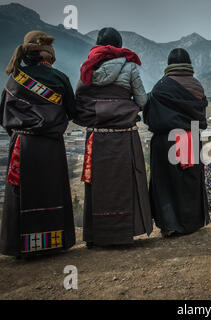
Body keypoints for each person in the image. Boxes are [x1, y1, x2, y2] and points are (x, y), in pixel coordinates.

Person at [74, 28, 152, 247]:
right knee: (124, 182)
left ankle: (98, 236)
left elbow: (78, 102)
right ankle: (123, 233)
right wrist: (124, 107)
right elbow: (142, 100)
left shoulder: (88, 67)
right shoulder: (129, 67)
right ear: (119, 45)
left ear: (98, 44)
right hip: (123, 136)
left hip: (96, 137)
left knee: (98, 184)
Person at [0, 31, 76, 258]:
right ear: (49, 56)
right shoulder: (60, 78)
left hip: (23, 144)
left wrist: (20, 132)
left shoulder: (14, 80)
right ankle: (53, 243)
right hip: (51, 146)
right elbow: (72, 111)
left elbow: (4, 115)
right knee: (52, 192)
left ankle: (20, 246)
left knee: (21, 193)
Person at [144, 48, 209, 237]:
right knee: (188, 181)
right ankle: (191, 223)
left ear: (169, 65)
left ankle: (169, 224)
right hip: (191, 138)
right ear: (189, 64)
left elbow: (150, 116)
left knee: (165, 183)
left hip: (166, 141)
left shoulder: (161, 87)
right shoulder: (197, 86)